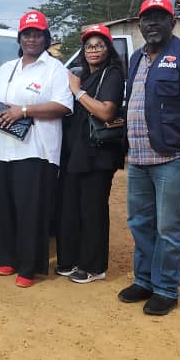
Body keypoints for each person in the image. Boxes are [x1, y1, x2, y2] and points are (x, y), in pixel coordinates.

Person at [119, 0, 180, 315]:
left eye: (160, 18)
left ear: (172, 23)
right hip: (138, 160)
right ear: (140, 24)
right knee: (140, 223)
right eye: (147, 19)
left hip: (172, 159)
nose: (153, 24)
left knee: (168, 228)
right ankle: (145, 280)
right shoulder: (136, 58)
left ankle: (166, 288)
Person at [0, 10, 72, 288]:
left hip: (35, 150)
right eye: (27, 34)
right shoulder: (7, 67)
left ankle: (28, 266)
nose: (32, 39)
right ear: (20, 38)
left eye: (38, 34)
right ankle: (4, 257)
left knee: (30, 209)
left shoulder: (54, 69)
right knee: (2, 206)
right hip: (0, 147)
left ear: (46, 38)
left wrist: (23, 111)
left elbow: (63, 105)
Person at [56, 23, 125, 284]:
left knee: (92, 210)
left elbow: (106, 112)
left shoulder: (113, 74)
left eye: (99, 45)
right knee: (70, 208)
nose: (93, 50)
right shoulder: (82, 75)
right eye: (88, 46)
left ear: (108, 48)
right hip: (76, 152)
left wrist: (77, 90)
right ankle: (71, 260)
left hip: (99, 154)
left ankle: (94, 267)